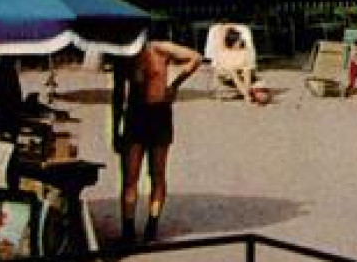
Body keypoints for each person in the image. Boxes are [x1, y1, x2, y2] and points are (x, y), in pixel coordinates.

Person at [112, 39, 202, 244]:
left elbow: (195, 57)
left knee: (157, 172)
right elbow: (118, 96)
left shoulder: (159, 49)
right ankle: (128, 229)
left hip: (159, 113)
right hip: (135, 116)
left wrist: (175, 85)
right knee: (130, 176)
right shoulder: (122, 57)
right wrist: (115, 129)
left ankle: (152, 225)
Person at [212, 26, 269, 105]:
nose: (241, 42)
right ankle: (247, 95)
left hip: (244, 76)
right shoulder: (224, 52)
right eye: (238, 41)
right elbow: (224, 67)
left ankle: (246, 92)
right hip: (228, 76)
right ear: (232, 42)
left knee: (246, 70)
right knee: (232, 72)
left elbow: (250, 65)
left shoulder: (244, 51)